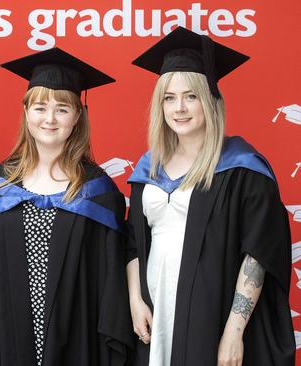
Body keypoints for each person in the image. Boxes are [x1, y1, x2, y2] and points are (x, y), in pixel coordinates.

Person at [126, 26, 295, 366]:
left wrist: (234, 331)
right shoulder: (149, 168)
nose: (180, 108)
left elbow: (258, 255)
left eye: (191, 96)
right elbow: (132, 241)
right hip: (155, 309)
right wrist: (135, 300)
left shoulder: (242, 168)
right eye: (169, 98)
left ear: (210, 100)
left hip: (212, 313)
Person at [0, 48, 134, 366]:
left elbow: (109, 282)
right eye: (40, 107)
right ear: (25, 112)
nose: (49, 119)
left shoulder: (98, 192)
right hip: (7, 336)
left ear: (78, 115)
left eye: (62, 109)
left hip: (78, 337)